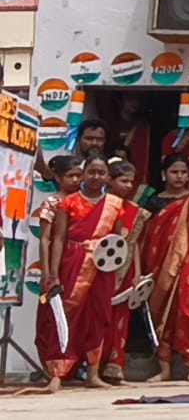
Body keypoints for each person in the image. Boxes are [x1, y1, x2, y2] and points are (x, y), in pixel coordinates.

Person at [31, 156, 121, 392]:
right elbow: (58, 238)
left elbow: (119, 241)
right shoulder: (68, 203)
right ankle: (57, 374)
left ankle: (93, 373)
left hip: (102, 267)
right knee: (64, 316)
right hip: (73, 262)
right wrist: (53, 272)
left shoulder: (115, 205)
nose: (96, 177)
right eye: (91, 172)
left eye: (101, 173)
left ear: (108, 177)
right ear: (84, 174)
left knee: (98, 317)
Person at [143, 153, 189, 382]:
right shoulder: (154, 202)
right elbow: (144, 236)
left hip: (187, 262)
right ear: (164, 174)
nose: (180, 176)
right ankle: (164, 368)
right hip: (157, 263)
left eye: (184, 172)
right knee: (159, 311)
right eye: (175, 172)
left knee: (187, 312)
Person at [103, 159, 149, 382]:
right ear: (109, 180)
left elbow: (135, 244)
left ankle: (115, 364)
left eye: (131, 182)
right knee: (100, 319)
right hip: (101, 271)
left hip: (126, 270)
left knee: (121, 319)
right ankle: (92, 365)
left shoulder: (135, 211)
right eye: (123, 181)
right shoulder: (100, 206)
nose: (129, 186)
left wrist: (138, 272)